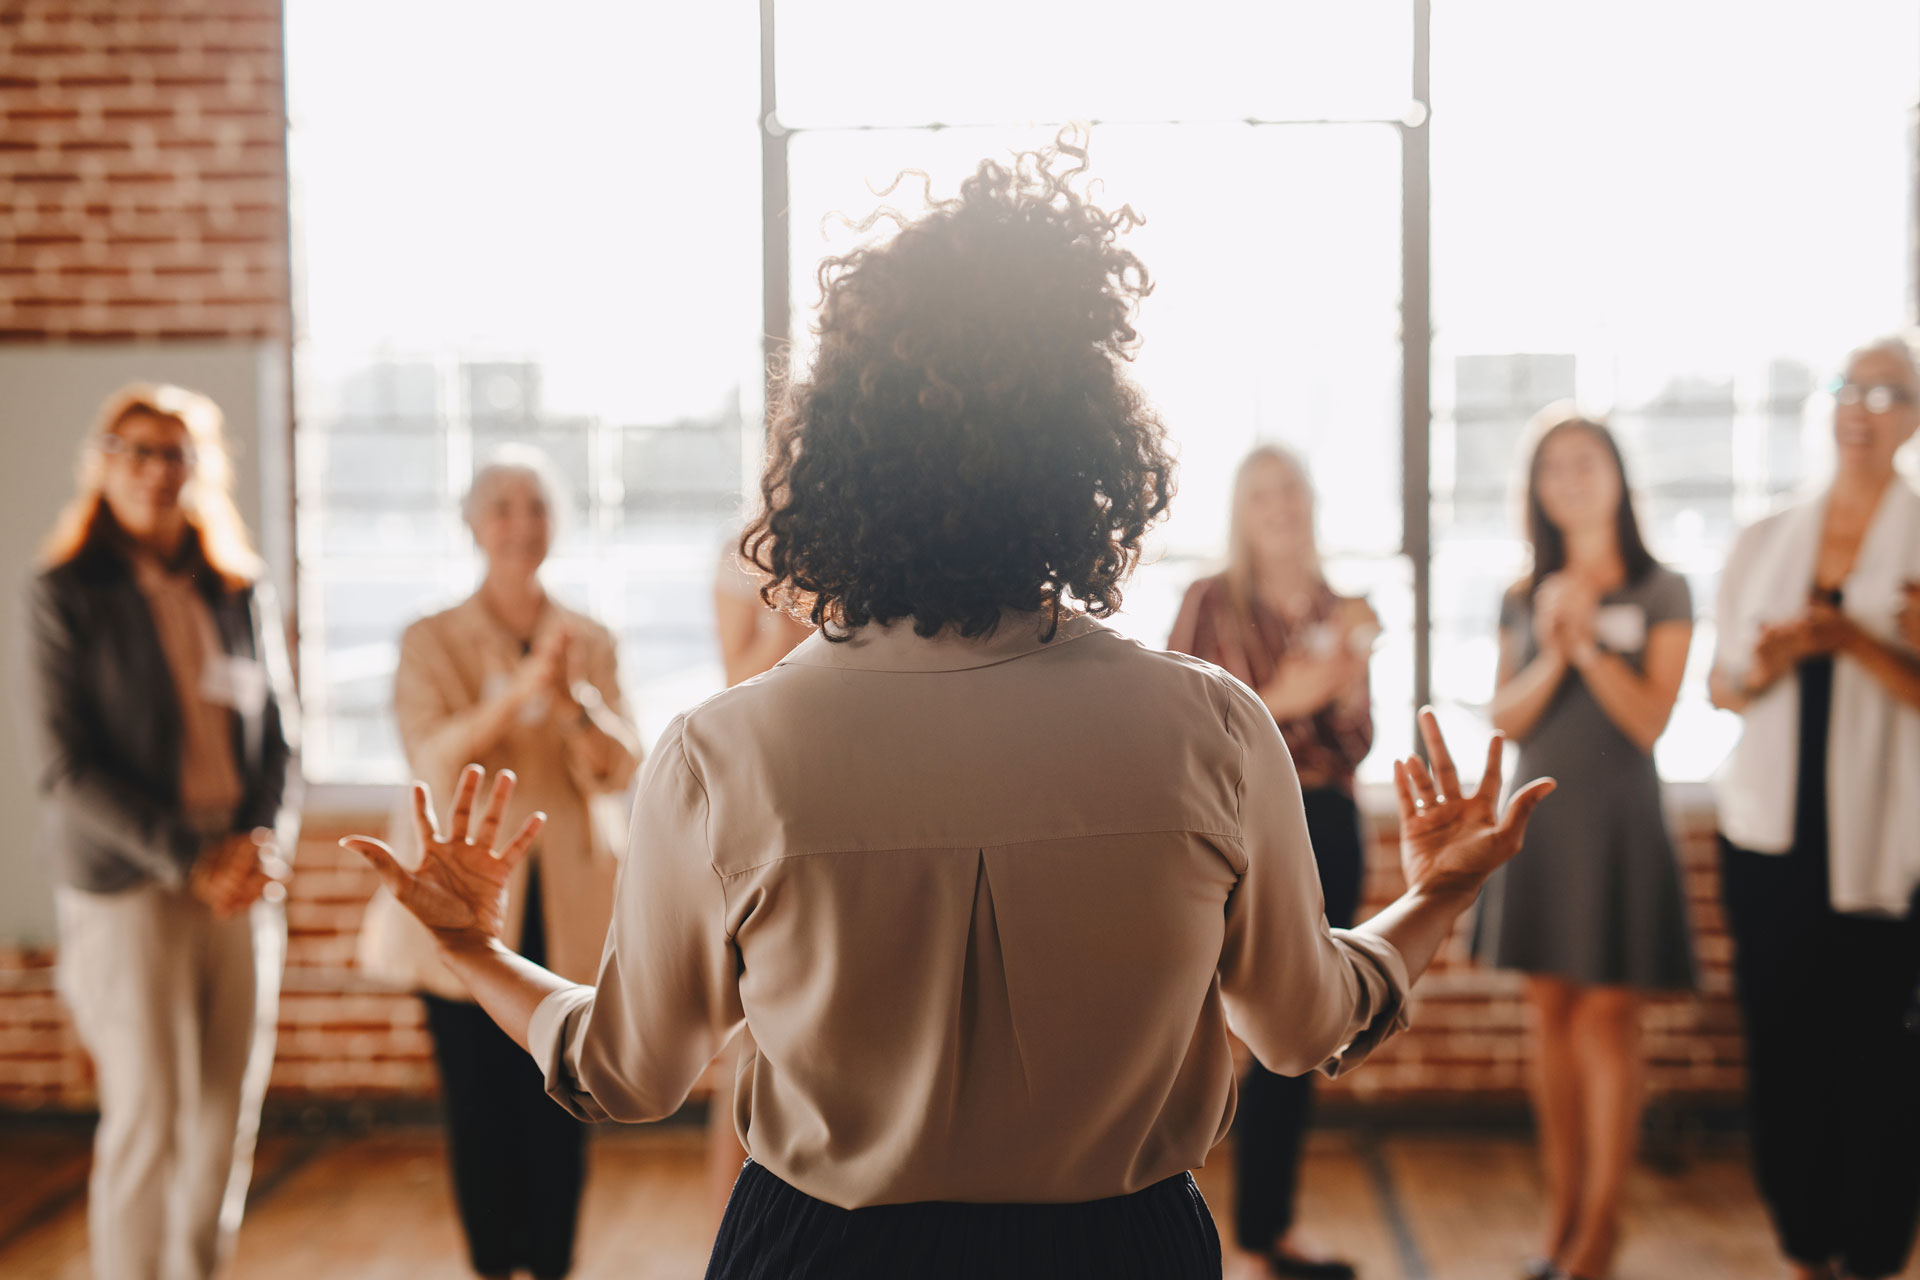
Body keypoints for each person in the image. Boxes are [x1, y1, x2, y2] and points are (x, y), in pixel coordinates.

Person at [344, 139, 1554, 1279]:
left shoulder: (726, 751)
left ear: (827, 463)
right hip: (1121, 1251)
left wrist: (470, 946)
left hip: (822, 1252)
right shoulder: (1213, 728)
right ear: (1095, 460)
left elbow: (625, 1071)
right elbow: (1305, 1027)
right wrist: (1441, 887)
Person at [28, 383, 299, 1280]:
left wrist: (257, 846)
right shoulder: (68, 592)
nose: (155, 469)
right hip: (133, 887)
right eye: (135, 450)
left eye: (174, 452)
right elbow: (70, 770)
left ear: (200, 469)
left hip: (239, 884)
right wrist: (192, 861)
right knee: (149, 1114)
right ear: (103, 465)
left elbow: (279, 740)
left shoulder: (235, 587)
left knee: (225, 1116)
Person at [381, 448, 641, 1280]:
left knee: (563, 1102)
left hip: (565, 904)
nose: (520, 523)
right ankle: (494, 1268)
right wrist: (513, 693)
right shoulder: (429, 640)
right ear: (471, 523)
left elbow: (623, 764)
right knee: (480, 1112)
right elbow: (431, 756)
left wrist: (574, 704)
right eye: (501, 506)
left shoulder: (591, 640)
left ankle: (555, 1265)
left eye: (536, 505)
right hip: (461, 902)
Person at [1708, 337, 1920, 1280]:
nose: (1863, 409)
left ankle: (1872, 1252)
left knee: (1881, 1060)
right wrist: (1779, 658)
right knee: (1785, 1048)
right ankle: (1801, 1243)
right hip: (1772, 840)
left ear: (1913, 416)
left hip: (1889, 843)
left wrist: (1863, 644)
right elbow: (1724, 685)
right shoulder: (1766, 540)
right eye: (1849, 388)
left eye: (1889, 393)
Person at [1474, 407, 1696, 1280]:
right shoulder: (1522, 595)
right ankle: (1560, 1223)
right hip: (1544, 820)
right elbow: (1506, 715)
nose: (1569, 478)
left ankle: (1604, 1231)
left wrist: (1589, 642)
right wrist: (1556, 650)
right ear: (1535, 490)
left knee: (1610, 1018)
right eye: (1551, 467)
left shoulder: (1662, 587)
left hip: (1621, 819)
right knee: (1551, 1016)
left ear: (1616, 477)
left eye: (1585, 462)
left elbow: (1648, 721)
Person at [1168, 444, 1377, 1280]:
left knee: (1301, 1031)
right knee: (1189, 1030)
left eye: (1291, 490)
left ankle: (1265, 1235)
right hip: (1228, 825)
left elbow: (1355, 741)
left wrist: (1340, 686)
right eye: (1262, 494)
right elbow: (1187, 723)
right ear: (1239, 511)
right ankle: (1169, 1234)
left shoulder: (1344, 606)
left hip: (1325, 820)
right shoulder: (1208, 601)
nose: (1280, 506)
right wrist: (1292, 696)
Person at [700, 541, 814, 1223]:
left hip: (869, 766)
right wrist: (788, 628)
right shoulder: (752, 549)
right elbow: (732, 687)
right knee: (755, 1031)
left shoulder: (899, 518)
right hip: (773, 784)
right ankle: (731, 1239)